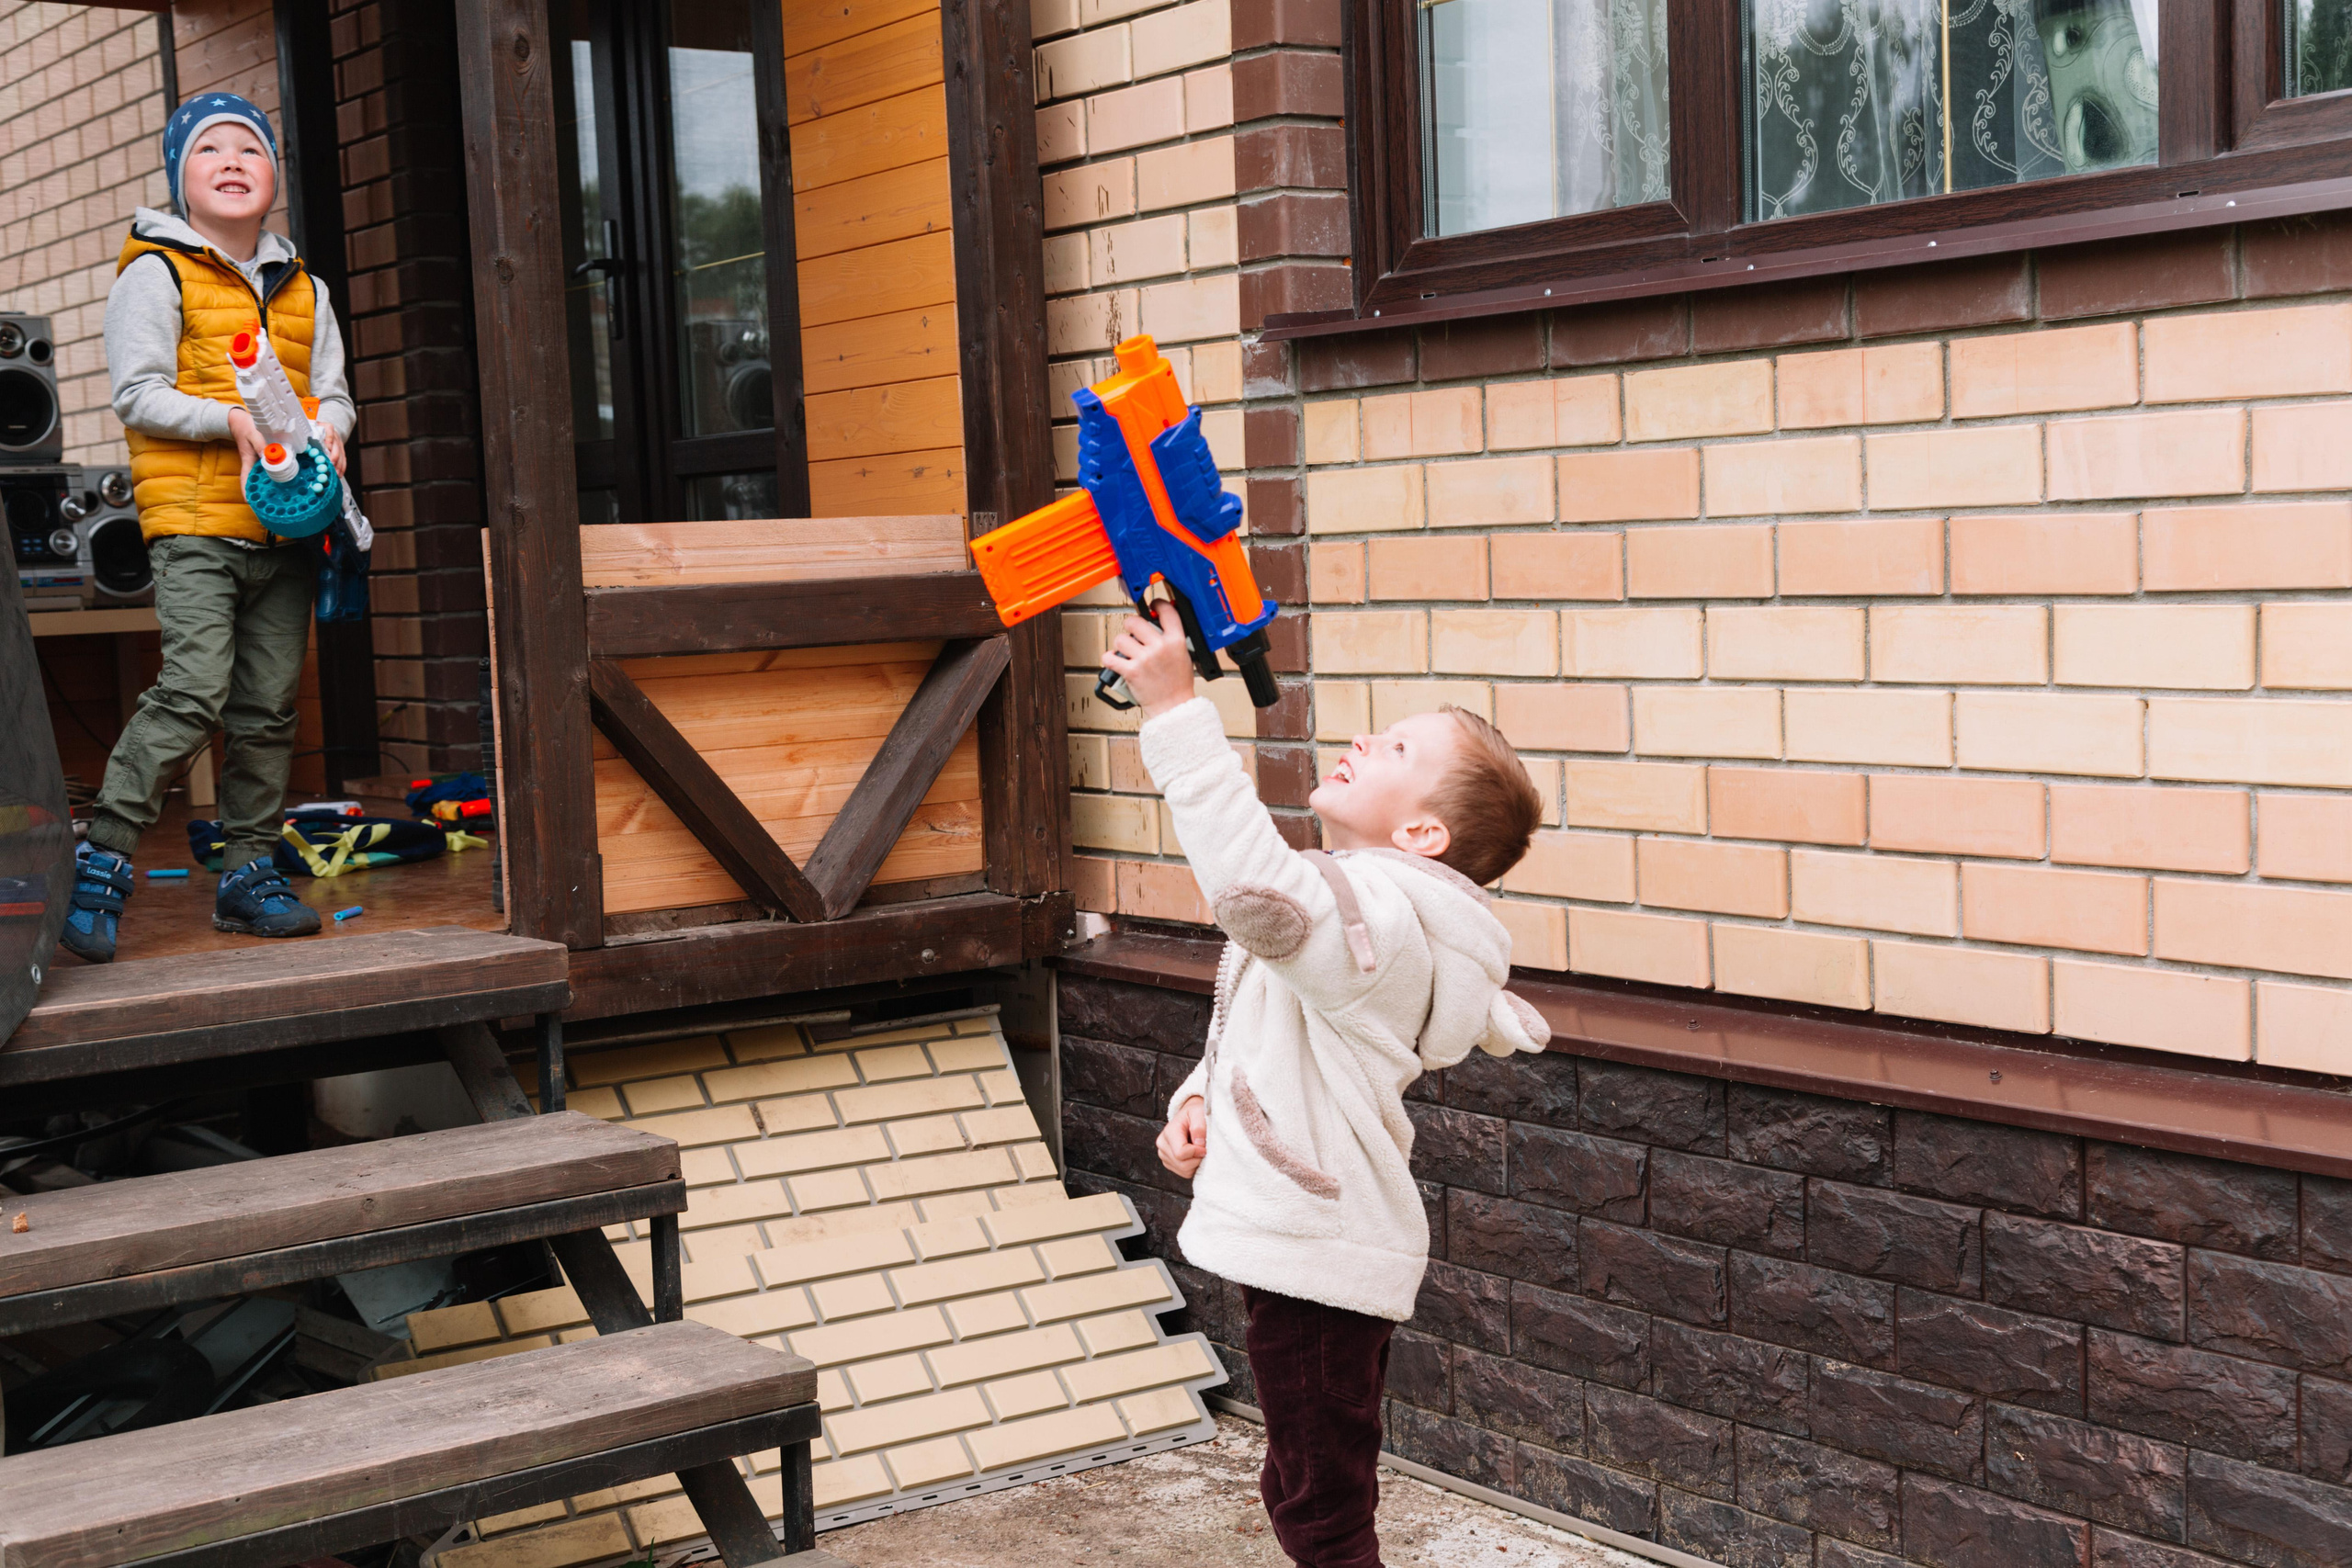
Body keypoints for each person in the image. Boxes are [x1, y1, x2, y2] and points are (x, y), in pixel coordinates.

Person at [1102, 602, 1552, 1568]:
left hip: (1323, 1256)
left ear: (1424, 832)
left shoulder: (1380, 927)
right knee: (1310, 1482)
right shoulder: (1366, 914)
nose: (1362, 740)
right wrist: (1197, 1105)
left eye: (1394, 748)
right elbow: (1271, 1028)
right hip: (1318, 1247)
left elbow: (1251, 895)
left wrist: (1177, 711)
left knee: (1318, 1502)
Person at [60, 93, 355, 962]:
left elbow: (332, 390)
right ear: (179, 179)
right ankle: (104, 852)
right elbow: (137, 393)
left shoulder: (306, 287)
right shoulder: (155, 272)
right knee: (193, 692)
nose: (232, 161)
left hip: (287, 530)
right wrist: (230, 421)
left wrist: (333, 429)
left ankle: (248, 875)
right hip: (194, 526)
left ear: (273, 177)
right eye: (208, 151)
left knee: (267, 711)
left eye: (251, 150)